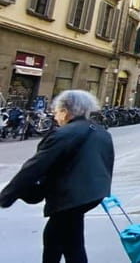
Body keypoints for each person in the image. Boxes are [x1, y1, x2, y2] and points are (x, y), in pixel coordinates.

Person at [0, 90, 114, 263]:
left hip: (70, 197)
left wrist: (6, 196)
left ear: (66, 111)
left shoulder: (64, 134)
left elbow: (34, 167)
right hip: (91, 195)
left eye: (57, 111)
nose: (55, 117)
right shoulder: (100, 131)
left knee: (54, 239)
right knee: (72, 240)